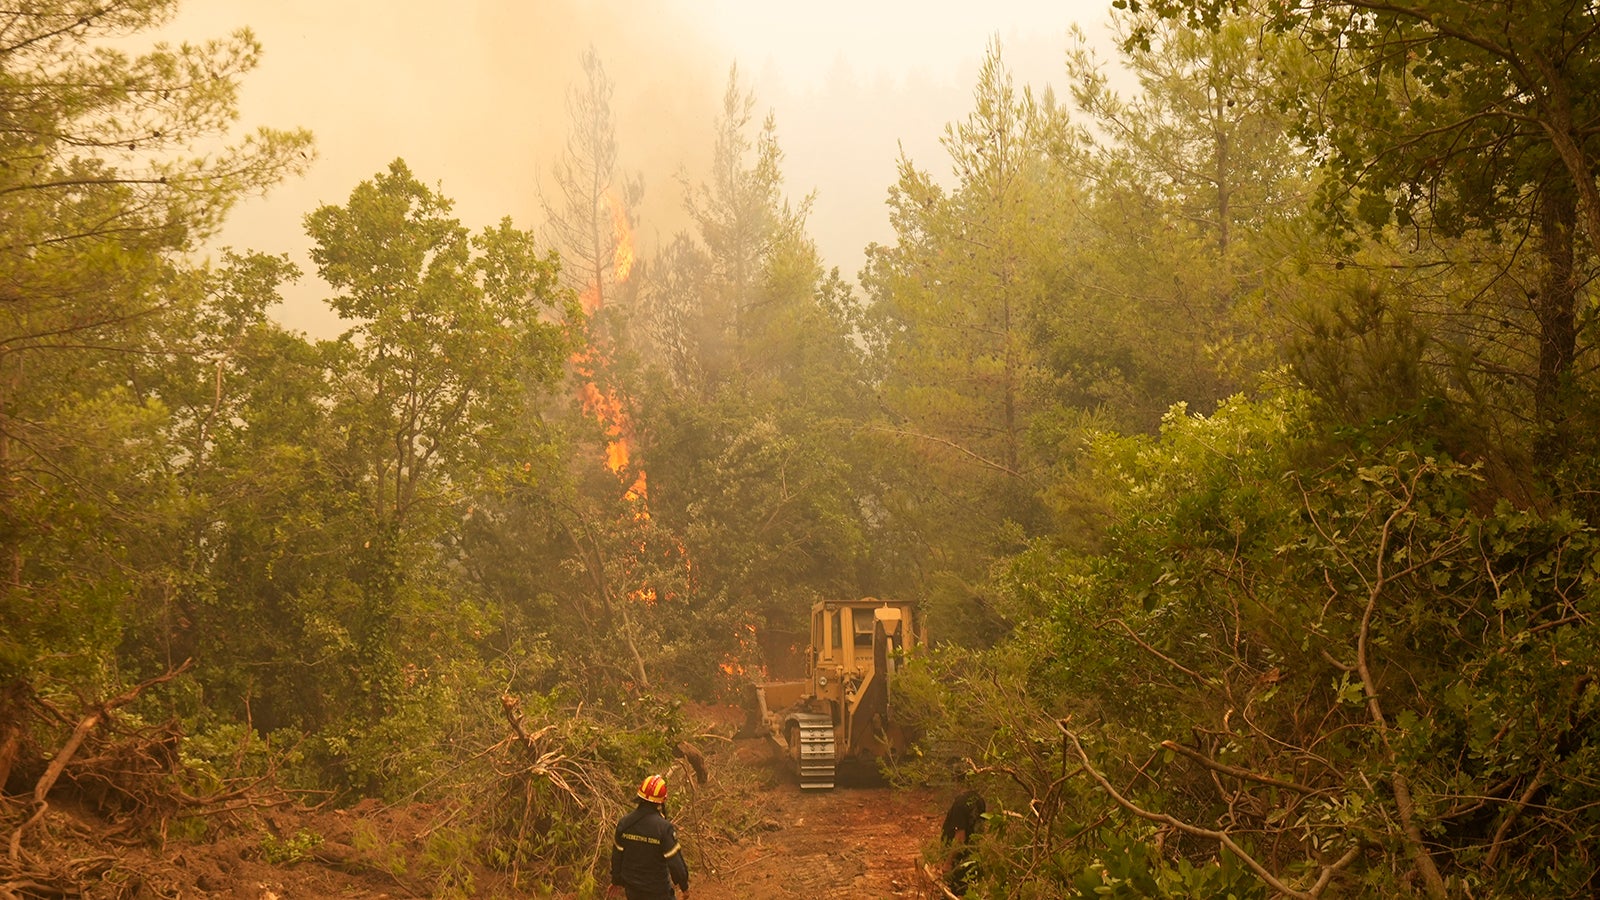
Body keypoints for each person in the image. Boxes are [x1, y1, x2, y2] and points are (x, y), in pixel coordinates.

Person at [609, 774, 689, 899]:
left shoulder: (624, 824)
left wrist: (616, 881)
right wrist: (684, 886)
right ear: (661, 801)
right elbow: (675, 862)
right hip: (658, 892)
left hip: (632, 891)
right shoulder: (663, 828)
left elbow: (617, 856)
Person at [941, 790, 985, 896]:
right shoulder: (979, 799)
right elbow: (980, 831)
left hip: (958, 863)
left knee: (954, 894)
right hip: (972, 859)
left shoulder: (959, 804)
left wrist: (948, 863)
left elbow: (960, 839)